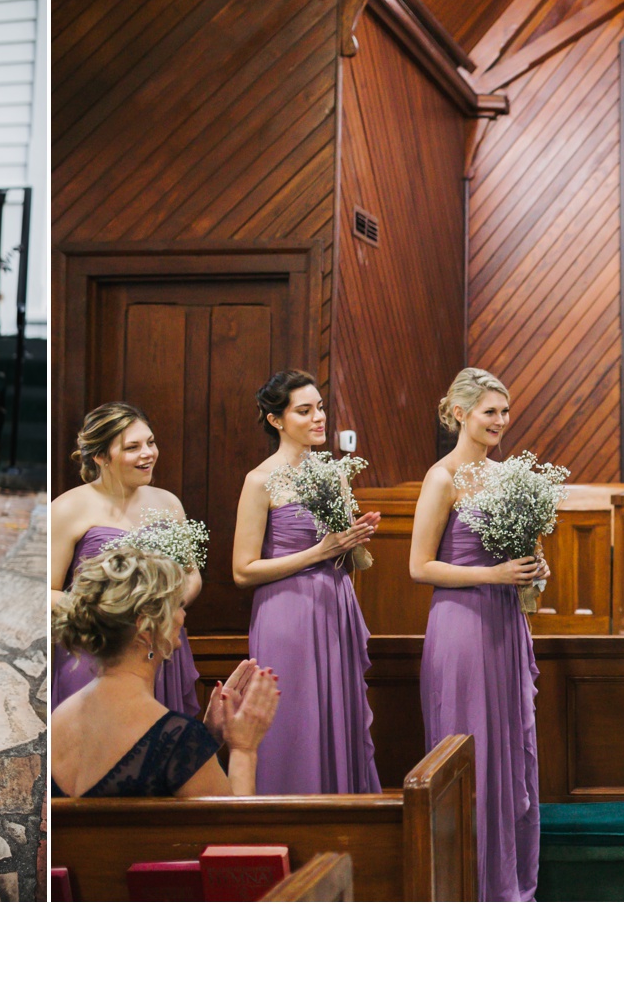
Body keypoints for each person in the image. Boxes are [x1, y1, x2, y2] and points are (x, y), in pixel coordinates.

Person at [410, 367, 548, 901]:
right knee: (470, 746)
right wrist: (492, 575)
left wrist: (534, 567)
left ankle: (510, 881)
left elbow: (520, 550)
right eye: (489, 411)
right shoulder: (442, 477)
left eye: (504, 411)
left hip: (504, 623)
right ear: (460, 414)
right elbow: (420, 566)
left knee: (511, 747)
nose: (500, 421)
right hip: (462, 625)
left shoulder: (509, 474)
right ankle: (467, 886)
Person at [232, 370, 383, 794]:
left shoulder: (333, 473)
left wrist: (354, 537)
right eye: (305, 410)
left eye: (319, 407)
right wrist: (319, 551)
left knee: (337, 713)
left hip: (335, 604)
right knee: (294, 719)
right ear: (275, 420)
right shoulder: (260, 480)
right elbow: (242, 570)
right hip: (287, 611)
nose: (319, 418)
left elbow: (339, 548)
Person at [50, 547, 280, 798]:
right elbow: (234, 836)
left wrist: (209, 737)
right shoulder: (176, 741)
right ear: (146, 629)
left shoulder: (59, 718)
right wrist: (243, 749)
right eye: (178, 605)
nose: (183, 615)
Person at [49, 403, 201, 715]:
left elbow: (192, 574)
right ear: (101, 457)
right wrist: (111, 616)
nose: (148, 453)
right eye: (133, 447)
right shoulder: (68, 508)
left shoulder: (168, 503)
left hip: (159, 644)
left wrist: (162, 610)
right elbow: (47, 591)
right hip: (98, 649)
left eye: (151, 442)